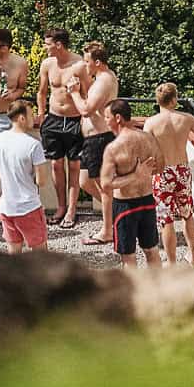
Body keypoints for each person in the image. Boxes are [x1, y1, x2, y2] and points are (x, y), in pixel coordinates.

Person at [144, 82, 194, 265]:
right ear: (174, 99)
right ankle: (193, 256)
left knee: (166, 219)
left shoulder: (151, 123)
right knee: (187, 213)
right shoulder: (187, 118)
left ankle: (172, 262)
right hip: (182, 169)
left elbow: (145, 151)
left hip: (162, 172)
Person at [98, 100, 162, 270]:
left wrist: (134, 175)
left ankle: (133, 296)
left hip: (126, 206)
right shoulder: (148, 138)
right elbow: (160, 167)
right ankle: (160, 292)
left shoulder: (113, 148)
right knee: (151, 250)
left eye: (106, 117)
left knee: (128, 256)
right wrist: (141, 176)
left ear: (117, 118)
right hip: (147, 201)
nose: (105, 120)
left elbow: (106, 184)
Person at [34, 27, 87, 228]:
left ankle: (72, 210)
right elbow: (41, 92)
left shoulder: (80, 65)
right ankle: (61, 207)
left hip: (74, 120)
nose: (44, 48)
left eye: (47, 44)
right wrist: (41, 114)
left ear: (58, 45)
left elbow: (88, 93)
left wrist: (84, 118)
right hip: (54, 120)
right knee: (56, 165)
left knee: (74, 166)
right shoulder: (47, 64)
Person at [0, 99, 52, 253]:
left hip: (7, 206)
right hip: (29, 206)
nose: (34, 118)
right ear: (22, 118)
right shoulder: (33, 145)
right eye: (31, 114)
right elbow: (41, 181)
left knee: (13, 252)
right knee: (40, 253)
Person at [75, 41, 120, 245]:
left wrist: (74, 92)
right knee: (85, 182)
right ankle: (115, 214)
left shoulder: (104, 81)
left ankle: (108, 231)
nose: (85, 66)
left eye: (87, 62)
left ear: (98, 62)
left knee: (104, 187)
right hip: (92, 139)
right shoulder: (100, 78)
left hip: (100, 139)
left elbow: (86, 110)